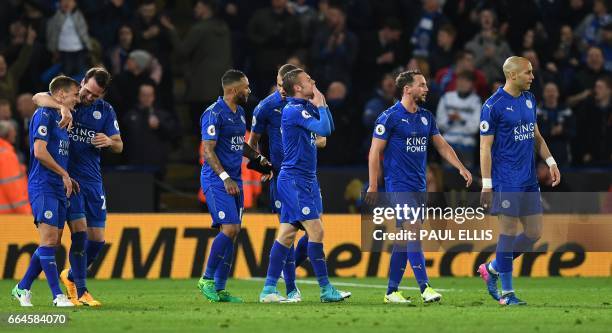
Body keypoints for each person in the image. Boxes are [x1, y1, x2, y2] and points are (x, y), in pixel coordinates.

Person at [367, 70, 472, 304]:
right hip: (398, 186)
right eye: (422, 85)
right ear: (407, 89)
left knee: (404, 239)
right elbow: (375, 152)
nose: (426, 89)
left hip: (419, 187)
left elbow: (442, 146)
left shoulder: (426, 117)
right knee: (413, 229)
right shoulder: (389, 117)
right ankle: (425, 287)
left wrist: (460, 167)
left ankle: (391, 292)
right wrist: (374, 184)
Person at [32, 67, 123, 306]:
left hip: (93, 181)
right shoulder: (69, 101)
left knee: (97, 239)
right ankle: (81, 291)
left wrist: (109, 141)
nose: (89, 97)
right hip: (69, 181)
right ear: (82, 82)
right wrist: (61, 106)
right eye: (88, 91)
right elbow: (37, 97)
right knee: (78, 233)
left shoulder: (105, 111)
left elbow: (119, 145)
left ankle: (68, 276)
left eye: (96, 95)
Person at [259, 68, 350, 303]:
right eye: (309, 80)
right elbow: (324, 129)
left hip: (306, 178)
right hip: (294, 180)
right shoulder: (292, 110)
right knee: (316, 231)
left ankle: (269, 289)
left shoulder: (304, 108)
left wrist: (322, 104)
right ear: (298, 87)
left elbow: (327, 132)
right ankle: (326, 289)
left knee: (287, 233)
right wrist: (321, 104)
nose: (314, 81)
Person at [478, 56, 561, 306]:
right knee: (508, 232)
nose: (532, 77)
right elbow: (485, 148)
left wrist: (551, 162)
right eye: (528, 72)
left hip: (528, 179)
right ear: (512, 75)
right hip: (506, 180)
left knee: (534, 232)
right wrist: (487, 184)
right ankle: (507, 294)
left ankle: (492, 268)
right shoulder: (493, 106)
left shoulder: (529, 99)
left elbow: (536, 136)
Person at [197, 69, 273, 303]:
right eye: (246, 87)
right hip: (217, 180)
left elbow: (239, 145)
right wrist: (224, 178)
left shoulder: (240, 113)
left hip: (235, 181)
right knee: (229, 229)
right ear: (232, 90)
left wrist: (259, 159)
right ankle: (206, 280)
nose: (249, 91)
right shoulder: (213, 114)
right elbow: (208, 150)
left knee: (233, 232)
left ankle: (219, 289)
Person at [12, 75, 80, 307]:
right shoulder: (43, 114)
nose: (77, 99)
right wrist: (63, 173)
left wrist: (66, 176)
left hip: (58, 186)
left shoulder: (63, 117)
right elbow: (39, 152)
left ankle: (22, 288)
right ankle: (57, 296)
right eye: (75, 94)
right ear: (61, 95)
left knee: (52, 242)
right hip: (43, 185)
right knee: (49, 240)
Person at [248, 63, 314, 302]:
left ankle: (283, 277)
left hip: (305, 176)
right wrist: (261, 165)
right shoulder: (266, 107)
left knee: (311, 233)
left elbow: (321, 137)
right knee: (288, 231)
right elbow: (252, 143)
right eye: (279, 84)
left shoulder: (305, 104)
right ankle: (291, 288)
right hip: (282, 178)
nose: (283, 89)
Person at [0, 120, 30, 214]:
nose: (16, 134)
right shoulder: (7, 155)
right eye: (13, 131)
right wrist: (26, 213)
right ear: (7, 134)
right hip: (9, 215)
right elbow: (13, 189)